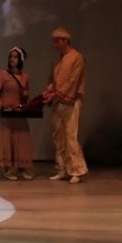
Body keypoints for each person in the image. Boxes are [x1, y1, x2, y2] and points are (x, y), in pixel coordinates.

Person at [41, 28, 88, 184]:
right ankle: (62, 168)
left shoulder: (77, 57)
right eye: (53, 42)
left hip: (70, 101)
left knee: (70, 135)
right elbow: (53, 81)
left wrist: (57, 93)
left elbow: (73, 81)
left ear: (65, 41)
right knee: (58, 136)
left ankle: (76, 170)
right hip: (58, 101)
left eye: (57, 41)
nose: (54, 45)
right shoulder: (58, 61)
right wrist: (49, 91)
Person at [0, 46, 34, 180]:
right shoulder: (3, 74)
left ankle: (22, 168)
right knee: (7, 140)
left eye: (15, 57)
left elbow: (25, 98)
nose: (12, 59)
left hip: (18, 112)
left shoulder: (25, 77)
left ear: (20, 59)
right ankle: (8, 169)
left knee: (21, 139)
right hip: (7, 113)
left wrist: (26, 95)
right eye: (11, 56)